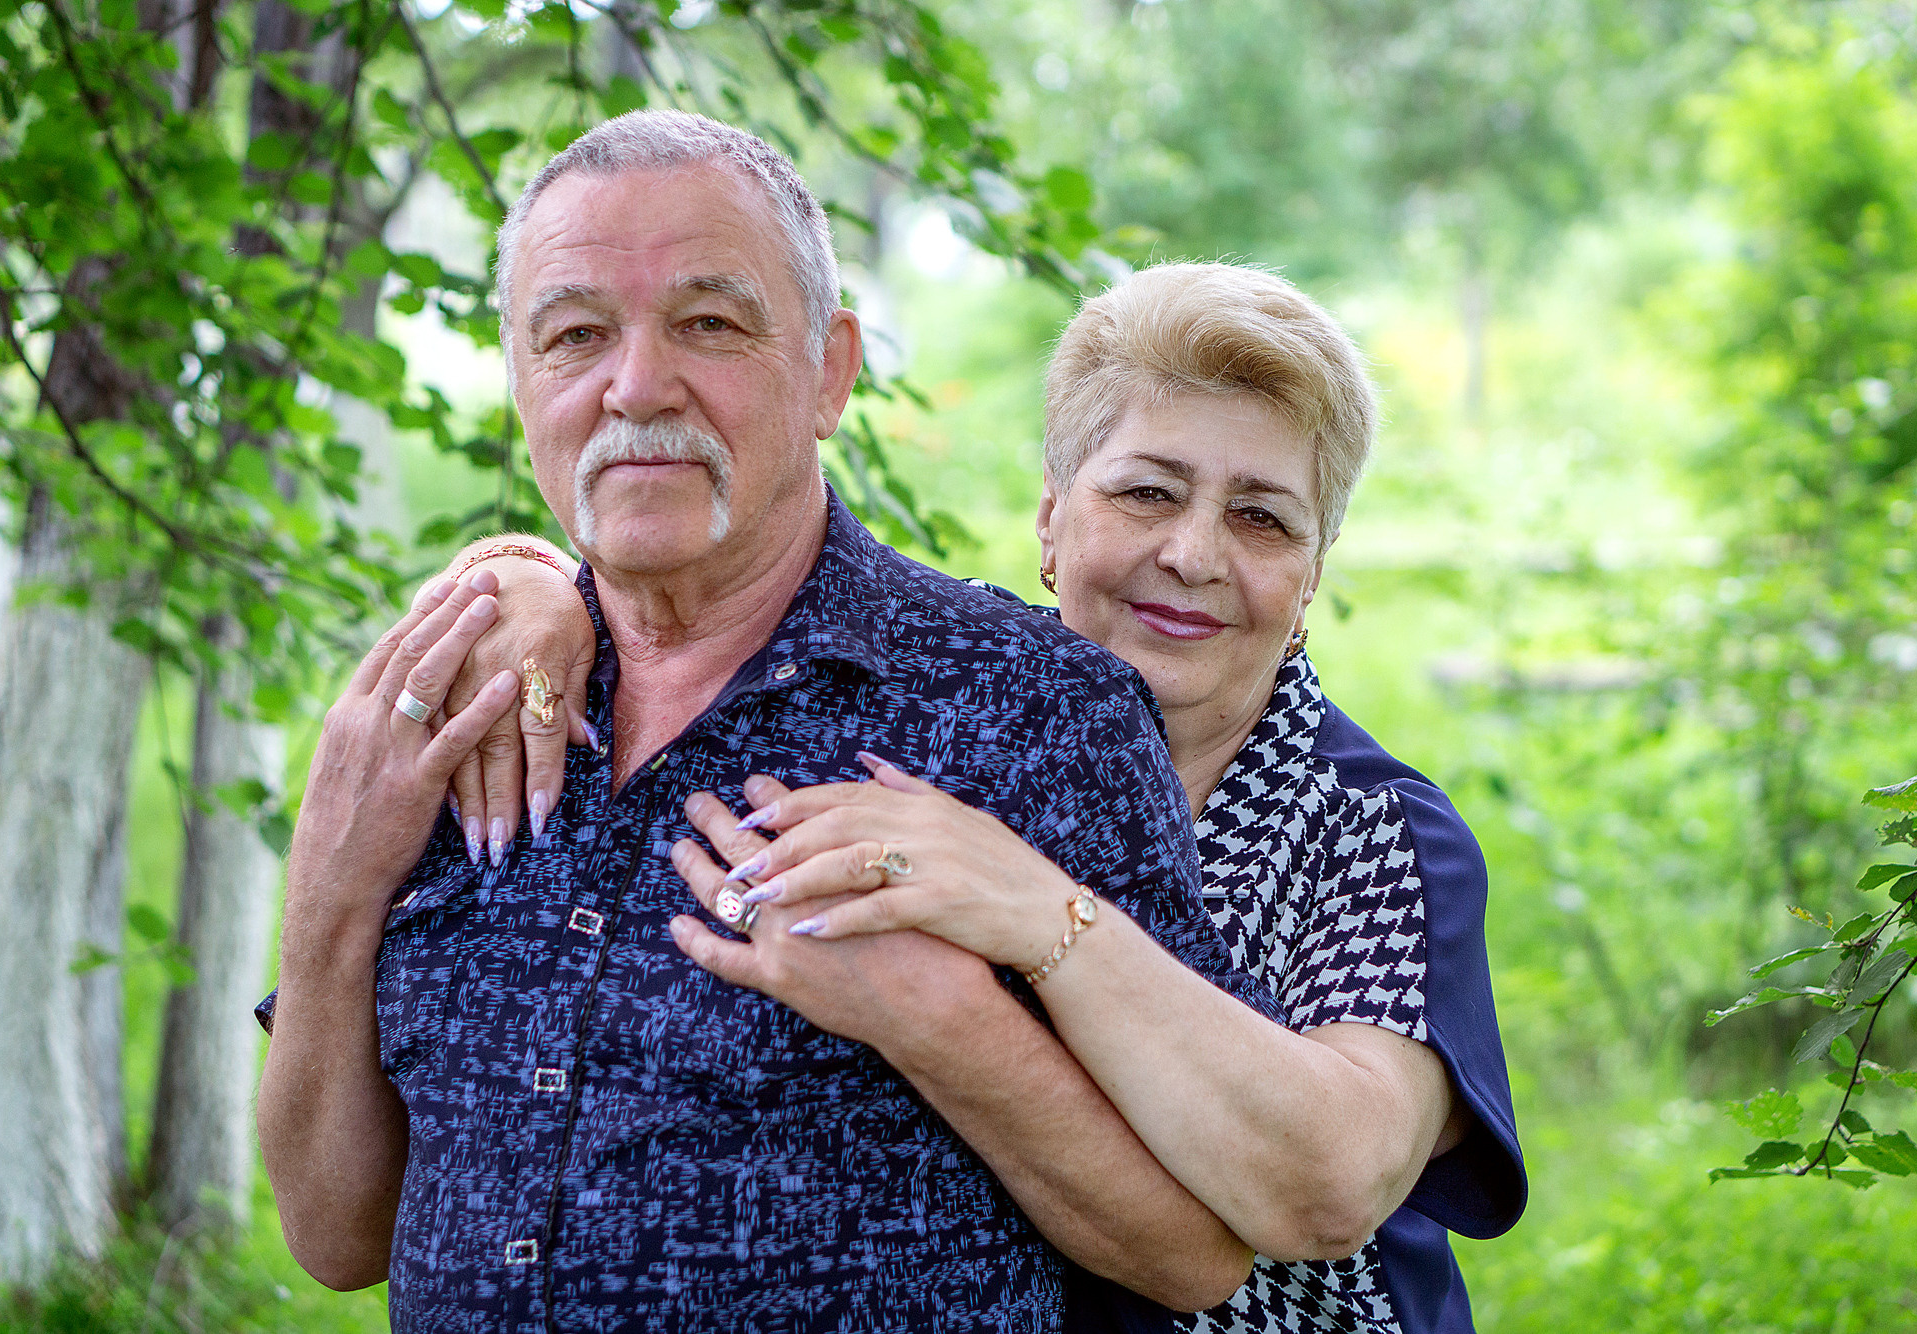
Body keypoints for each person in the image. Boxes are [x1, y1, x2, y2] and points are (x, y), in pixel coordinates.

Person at [254, 110, 1289, 1331]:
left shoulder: (1031, 707)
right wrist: (331, 879)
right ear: (522, 382)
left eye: (709, 323)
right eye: (575, 334)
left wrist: (939, 1024)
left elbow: (1194, 1254)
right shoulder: (458, 701)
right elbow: (334, 1235)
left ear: (829, 369)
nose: (635, 385)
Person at [460, 263, 1528, 1333]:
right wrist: (523, 573)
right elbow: (711, 609)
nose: (1193, 554)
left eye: (1261, 519)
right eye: (1147, 492)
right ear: (1051, 519)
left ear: (1310, 575)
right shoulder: (942, 699)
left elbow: (1326, 1184)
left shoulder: (1369, 828)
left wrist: (1035, 908)